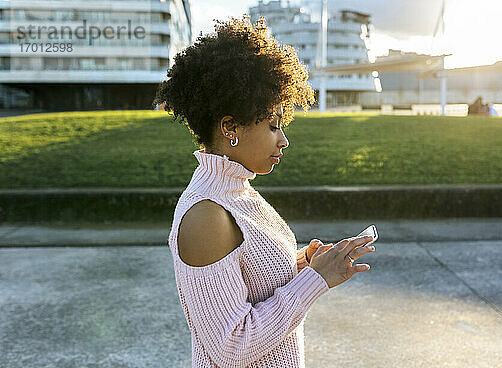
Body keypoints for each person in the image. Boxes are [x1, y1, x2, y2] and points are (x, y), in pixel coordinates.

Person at [153, 15, 375, 368]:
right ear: (230, 126)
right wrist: (316, 280)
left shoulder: (237, 188)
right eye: (273, 126)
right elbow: (231, 346)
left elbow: (250, 283)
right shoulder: (207, 213)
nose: (283, 140)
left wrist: (302, 265)